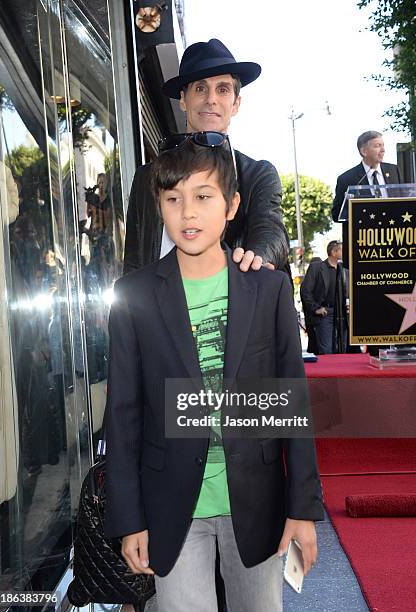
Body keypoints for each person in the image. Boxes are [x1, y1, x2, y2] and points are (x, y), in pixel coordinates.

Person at [104, 138, 323, 612]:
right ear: (158, 205)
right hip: (171, 505)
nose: (188, 213)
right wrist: (128, 519)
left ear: (231, 206)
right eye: (173, 198)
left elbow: (291, 404)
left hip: (257, 501)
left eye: (203, 196)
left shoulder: (267, 288)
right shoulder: (134, 295)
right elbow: (122, 415)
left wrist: (302, 509)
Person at [123, 38, 289, 275]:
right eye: (200, 88)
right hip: (158, 308)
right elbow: (133, 260)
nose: (211, 99)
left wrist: (255, 259)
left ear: (235, 103)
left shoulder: (258, 175)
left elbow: (271, 230)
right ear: (183, 99)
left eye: (222, 90)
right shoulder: (146, 177)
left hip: (228, 305)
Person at [332, 130, 401, 267]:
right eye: (377, 146)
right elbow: (336, 215)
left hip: (393, 243)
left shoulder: (394, 171)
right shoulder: (347, 179)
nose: (383, 150)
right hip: (364, 248)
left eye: (383, 145)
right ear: (364, 151)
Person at [300, 240, 347, 355]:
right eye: (342, 249)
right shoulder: (316, 268)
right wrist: (316, 308)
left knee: (342, 348)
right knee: (326, 350)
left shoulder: (344, 269)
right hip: (325, 313)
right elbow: (305, 291)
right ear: (334, 252)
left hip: (342, 313)